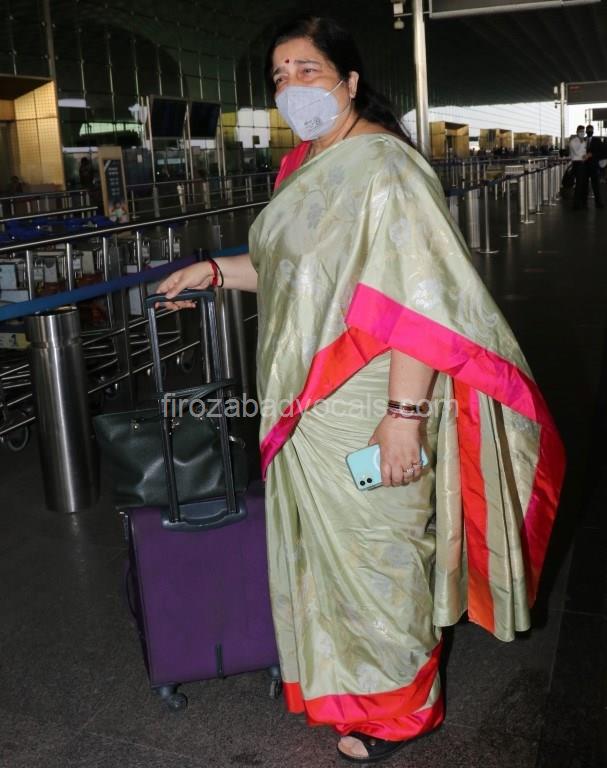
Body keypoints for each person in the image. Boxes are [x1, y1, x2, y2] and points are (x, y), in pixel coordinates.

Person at [158, 16, 565, 764]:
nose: (291, 87)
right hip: (305, 404)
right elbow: (293, 277)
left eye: (307, 70)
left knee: (379, 554)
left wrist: (403, 418)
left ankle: (404, 712)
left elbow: (417, 304)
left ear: (348, 82)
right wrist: (212, 271)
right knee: (328, 555)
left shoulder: (384, 169)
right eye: (279, 75)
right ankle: (346, 691)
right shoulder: (304, 167)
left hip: (370, 396)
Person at [584, 124, 604, 209]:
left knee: (596, 185)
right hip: (584, 166)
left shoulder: (597, 140)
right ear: (586, 131)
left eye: (590, 130)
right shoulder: (582, 140)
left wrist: (592, 155)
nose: (589, 131)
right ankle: (584, 203)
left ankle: (598, 203)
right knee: (584, 185)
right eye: (588, 130)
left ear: (593, 131)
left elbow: (602, 152)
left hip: (594, 166)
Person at [569, 125, 588, 210]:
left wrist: (586, 156)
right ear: (577, 132)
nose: (582, 133)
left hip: (584, 163)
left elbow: (584, 151)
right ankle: (576, 204)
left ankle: (583, 203)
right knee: (579, 184)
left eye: (583, 131)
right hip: (577, 163)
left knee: (584, 184)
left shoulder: (584, 141)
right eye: (581, 131)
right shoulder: (573, 141)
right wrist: (581, 142)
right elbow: (576, 152)